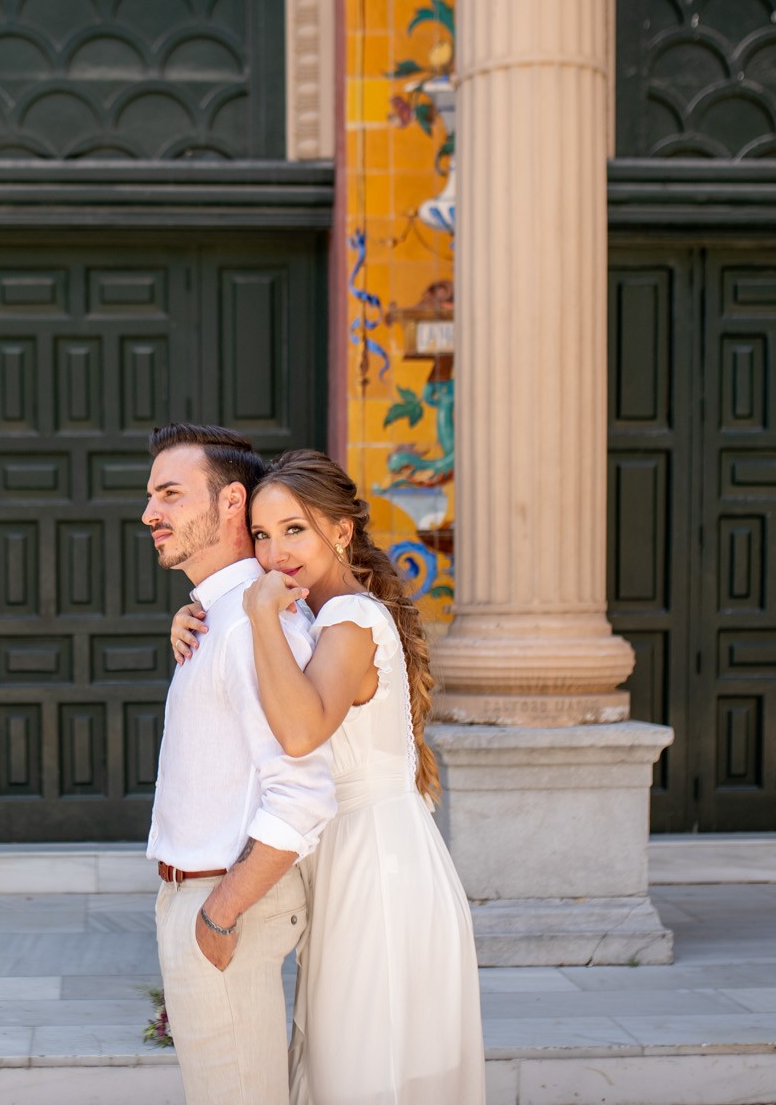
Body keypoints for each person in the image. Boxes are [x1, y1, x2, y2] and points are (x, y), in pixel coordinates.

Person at [171, 448, 485, 1105]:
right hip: (346, 863)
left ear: (340, 531)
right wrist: (206, 615)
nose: (276, 550)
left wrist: (255, 613)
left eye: (295, 529)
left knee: (371, 1068)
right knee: (341, 1064)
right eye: (261, 534)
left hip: (378, 870)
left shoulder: (350, 619)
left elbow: (299, 730)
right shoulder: (317, 616)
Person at [140, 422, 336, 1105]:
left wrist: (220, 911)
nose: (149, 513)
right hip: (198, 891)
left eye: (170, 493)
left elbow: (305, 790)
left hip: (231, 898)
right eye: (150, 495)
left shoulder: (260, 621)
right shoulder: (219, 616)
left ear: (230, 505)